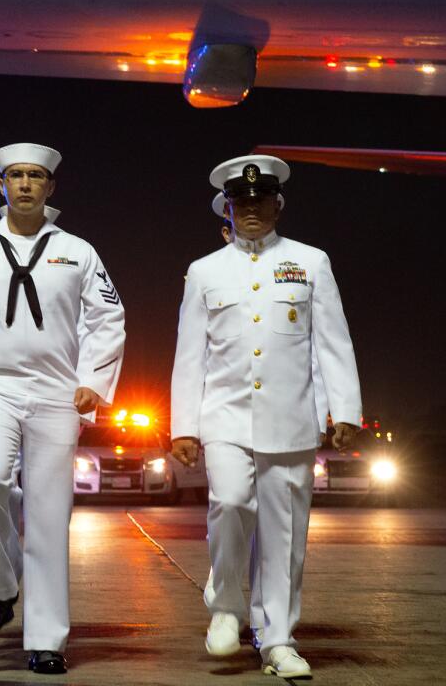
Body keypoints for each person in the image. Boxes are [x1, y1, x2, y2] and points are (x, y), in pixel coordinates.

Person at [0, 143, 125, 674]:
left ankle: (47, 640)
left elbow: (109, 318)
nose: (26, 184)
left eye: (36, 176)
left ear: (50, 187)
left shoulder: (79, 252)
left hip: (58, 392)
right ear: (1, 185)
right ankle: (3, 580)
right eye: (15, 176)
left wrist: (95, 384)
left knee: (48, 513)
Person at [171, 156, 362, 680]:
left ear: (278, 205)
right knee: (230, 502)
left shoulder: (311, 261)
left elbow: (332, 341)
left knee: (284, 536)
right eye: (241, 202)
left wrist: (344, 409)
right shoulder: (205, 270)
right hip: (225, 417)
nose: (251, 210)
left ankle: (277, 639)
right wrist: (182, 423)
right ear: (227, 210)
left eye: (261, 201)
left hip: (291, 418)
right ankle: (227, 605)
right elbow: (191, 353)